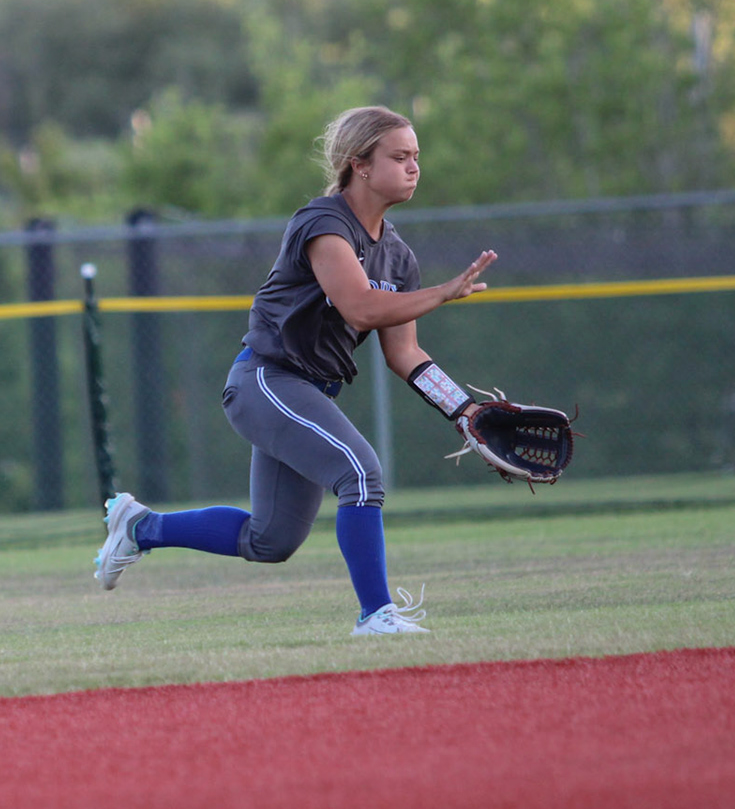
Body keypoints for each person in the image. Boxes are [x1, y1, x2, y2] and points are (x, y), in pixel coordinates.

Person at [92, 105, 496, 635]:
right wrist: (442, 293)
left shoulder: (398, 257)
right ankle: (377, 615)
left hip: (307, 393)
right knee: (361, 474)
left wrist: (463, 410)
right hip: (266, 380)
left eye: (416, 156)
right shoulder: (323, 223)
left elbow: (405, 354)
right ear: (359, 165)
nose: (414, 167)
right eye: (399, 157)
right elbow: (360, 309)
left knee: (271, 540)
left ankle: (141, 528)